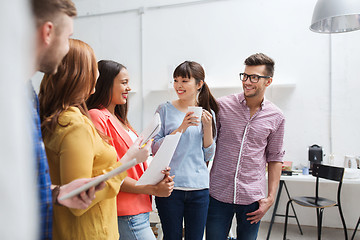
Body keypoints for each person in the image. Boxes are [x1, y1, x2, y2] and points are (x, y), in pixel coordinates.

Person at [38, 39, 151, 240]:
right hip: (90, 232)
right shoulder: (74, 125)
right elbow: (78, 200)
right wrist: (128, 160)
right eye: (93, 66)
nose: (97, 73)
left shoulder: (60, 119)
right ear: (79, 75)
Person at [30, 0, 107, 239]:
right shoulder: (73, 124)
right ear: (48, 32)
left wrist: (56, 193)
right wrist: (120, 172)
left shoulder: (30, 100)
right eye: (68, 37)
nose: (66, 49)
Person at [86, 60, 175, 240]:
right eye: (124, 82)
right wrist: (153, 189)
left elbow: (131, 166)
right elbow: (109, 173)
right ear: (105, 83)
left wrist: (157, 174)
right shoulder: (97, 116)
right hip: (125, 211)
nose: (128, 88)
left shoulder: (119, 118)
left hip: (138, 209)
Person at [206, 53, 285, 240]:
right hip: (218, 194)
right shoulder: (222, 106)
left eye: (254, 77)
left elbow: (275, 158)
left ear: (268, 81)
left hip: (252, 199)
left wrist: (270, 198)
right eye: (245, 76)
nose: (247, 82)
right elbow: (206, 146)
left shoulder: (276, 117)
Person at [152, 61, 219, 240]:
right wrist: (181, 127)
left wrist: (207, 128)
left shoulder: (209, 113)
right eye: (176, 80)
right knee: (171, 237)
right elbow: (155, 147)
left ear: (199, 84)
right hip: (170, 187)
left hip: (199, 188)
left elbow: (208, 155)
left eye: (184, 81)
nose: (178, 86)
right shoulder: (164, 109)